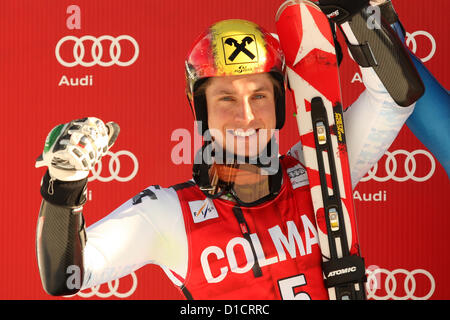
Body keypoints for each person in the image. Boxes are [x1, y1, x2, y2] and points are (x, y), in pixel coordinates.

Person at [35, 0, 424, 299]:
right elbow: (66, 278)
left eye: (260, 94)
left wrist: (357, 16)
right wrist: (64, 187)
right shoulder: (167, 213)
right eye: (226, 98)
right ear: (200, 109)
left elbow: (398, 96)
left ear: (281, 103)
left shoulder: (324, 166)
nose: (246, 115)